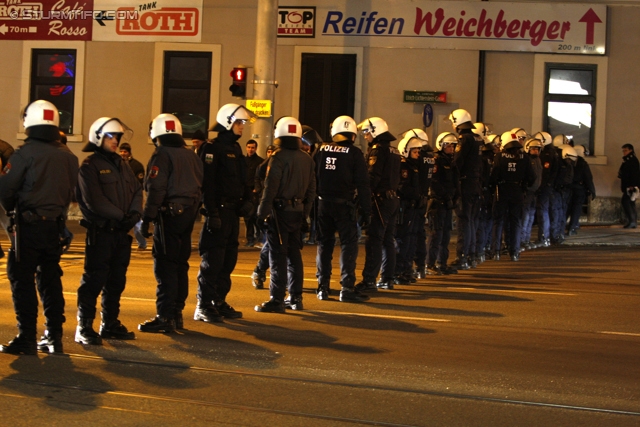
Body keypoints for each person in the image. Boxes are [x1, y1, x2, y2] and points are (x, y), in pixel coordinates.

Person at [0, 100, 78, 355]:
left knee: (22, 279)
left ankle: (27, 337)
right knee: (50, 279)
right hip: (54, 225)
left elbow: (6, 191)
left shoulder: (25, 154)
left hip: (28, 227)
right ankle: (54, 334)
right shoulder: (68, 156)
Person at [75, 117, 142, 345]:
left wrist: (134, 215)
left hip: (121, 234)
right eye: (111, 136)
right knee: (94, 280)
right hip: (101, 233)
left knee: (116, 281)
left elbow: (136, 191)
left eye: (118, 137)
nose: (115, 141)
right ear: (98, 138)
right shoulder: (89, 166)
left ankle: (110, 322)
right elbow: (94, 201)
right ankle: (84, 326)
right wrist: (122, 217)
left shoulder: (123, 165)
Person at [138, 114, 203, 333]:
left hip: (169, 215)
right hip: (188, 214)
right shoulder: (191, 155)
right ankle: (176, 313)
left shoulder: (162, 154)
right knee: (181, 264)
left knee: (165, 264)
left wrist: (147, 217)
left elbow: (156, 188)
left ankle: (164, 316)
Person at [195, 103, 254, 323]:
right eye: (239, 122)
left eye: (243, 123)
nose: (242, 127)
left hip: (231, 212)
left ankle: (218, 300)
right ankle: (204, 304)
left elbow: (241, 179)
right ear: (228, 122)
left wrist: (248, 200)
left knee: (228, 260)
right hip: (217, 211)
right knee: (212, 260)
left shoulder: (235, 149)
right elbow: (207, 183)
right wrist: (211, 212)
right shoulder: (211, 148)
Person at [255, 117, 316, 313]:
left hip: (279, 213)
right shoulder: (307, 158)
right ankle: (296, 297)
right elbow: (311, 191)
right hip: (297, 213)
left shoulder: (278, 157)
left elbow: (269, 189)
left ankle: (277, 298)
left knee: (277, 257)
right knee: (294, 255)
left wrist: (261, 214)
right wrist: (305, 213)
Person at [315, 116, 371, 303]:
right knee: (348, 244)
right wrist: (366, 211)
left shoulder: (321, 149)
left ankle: (322, 287)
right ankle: (346, 288)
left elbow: (312, 177)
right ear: (353, 134)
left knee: (324, 244)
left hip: (323, 204)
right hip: (344, 205)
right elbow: (363, 185)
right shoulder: (354, 153)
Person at [355, 117, 401, 291]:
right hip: (393, 200)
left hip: (380, 200)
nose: (365, 136)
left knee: (374, 240)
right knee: (387, 240)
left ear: (375, 131)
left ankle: (369, 280)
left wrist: (363, 198)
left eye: (367, 132)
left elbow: (372, 178)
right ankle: (388, 277)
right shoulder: (394, 151)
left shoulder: (377, 150)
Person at [490, 132, 536, 261]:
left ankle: (496, 251)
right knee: (516, 222)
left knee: (498, 222)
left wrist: (492, 186)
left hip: (502, 191)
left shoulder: (499, 156)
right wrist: (523, 186)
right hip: (518, 192)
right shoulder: (524, 157)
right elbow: (532, 177)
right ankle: (515, 252)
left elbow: (494, 175)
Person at [449, 109, 482, 270]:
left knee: (464, 221)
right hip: (475, 183)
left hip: (465, 184)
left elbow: (457, 162)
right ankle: (471, 255)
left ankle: (462, 256)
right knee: (472, 221)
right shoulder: (477, 138)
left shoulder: (464, 139)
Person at [425, 132, 459, 275]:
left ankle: (442, 263)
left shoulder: (451, 161)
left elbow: (455, 181)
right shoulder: (436, 161)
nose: (451, 148)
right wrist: (445, 195)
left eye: (453, 146)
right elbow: (435, 182)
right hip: (438, 202)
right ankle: (430, 264)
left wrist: (454, 197)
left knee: (446, 234)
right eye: (448, 145)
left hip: (447, 202)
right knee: (436, 234)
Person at [394, 136, 425, 285]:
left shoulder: (414, 167)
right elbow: (402, 187)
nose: (417, 154)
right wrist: (416, 195)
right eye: (415, 151)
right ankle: (399, 271)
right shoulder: (404, 166)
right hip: (404, 207)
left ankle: (406, 269)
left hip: (412, 207)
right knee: (403, 240)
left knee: (411, 240)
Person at [251, 144, 276, 289]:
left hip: (289, 208)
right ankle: (259, 271)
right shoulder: (267, 164)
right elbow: (259, 175)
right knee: (271, 243)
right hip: (271, 207)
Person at [118, 141, 147, 250]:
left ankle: (142, 242)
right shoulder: (117, 164)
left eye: (124, 151)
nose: (122, 153)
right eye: (121, 151)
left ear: (129, 152)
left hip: (134, 197)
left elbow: (139, 183)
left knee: (137, 222)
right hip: (121, 197)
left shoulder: (136, 165)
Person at [533, 131, 559, 247]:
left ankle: (544, 237)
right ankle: (546, 237)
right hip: (548, 187)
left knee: (542, 211)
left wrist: (542, 185)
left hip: (544, 188)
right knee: (545, 211)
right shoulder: (553, 153)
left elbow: (546, 173)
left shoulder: (547, 155)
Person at [566, 145, 595, 235]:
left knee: (567, 209)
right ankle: (572, 227)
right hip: (579, 190)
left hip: (569, 189)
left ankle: (560, 227)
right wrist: (592, 190)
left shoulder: (569, 162)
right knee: (576, 209)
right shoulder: (583, 164)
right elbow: (588, 178)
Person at [521, 138, 543, 249]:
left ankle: (526, 239)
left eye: (537, 149)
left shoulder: (538, 160)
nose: (535, 151)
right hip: (528, 192)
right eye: (533, 149)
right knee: (525, 216)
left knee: (530, 216)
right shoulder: (527, 160)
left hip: (534, 192)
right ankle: (522, 240)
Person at [243, 139, 264, 247]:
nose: (250, 149)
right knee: (248, 216)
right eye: (249, 147)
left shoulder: (260, 161)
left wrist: (257, 189)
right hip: (244, 192)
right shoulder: (242, 161)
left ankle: (255, 237)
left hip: (254, 192)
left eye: (253, 147)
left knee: (253, 215)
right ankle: (251, 237)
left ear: (256, 148)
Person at [619, 144, 640, 229]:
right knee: (630, 203)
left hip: (630, 186)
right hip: (628, 185)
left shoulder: (632, 160)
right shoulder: (628, 160)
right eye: (623, 150)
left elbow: (634, 174)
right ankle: (633, 221)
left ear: (630, 150)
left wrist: (632, 185)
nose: (624, 152)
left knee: (626, 202)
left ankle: (632, 221)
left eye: (625, 150)